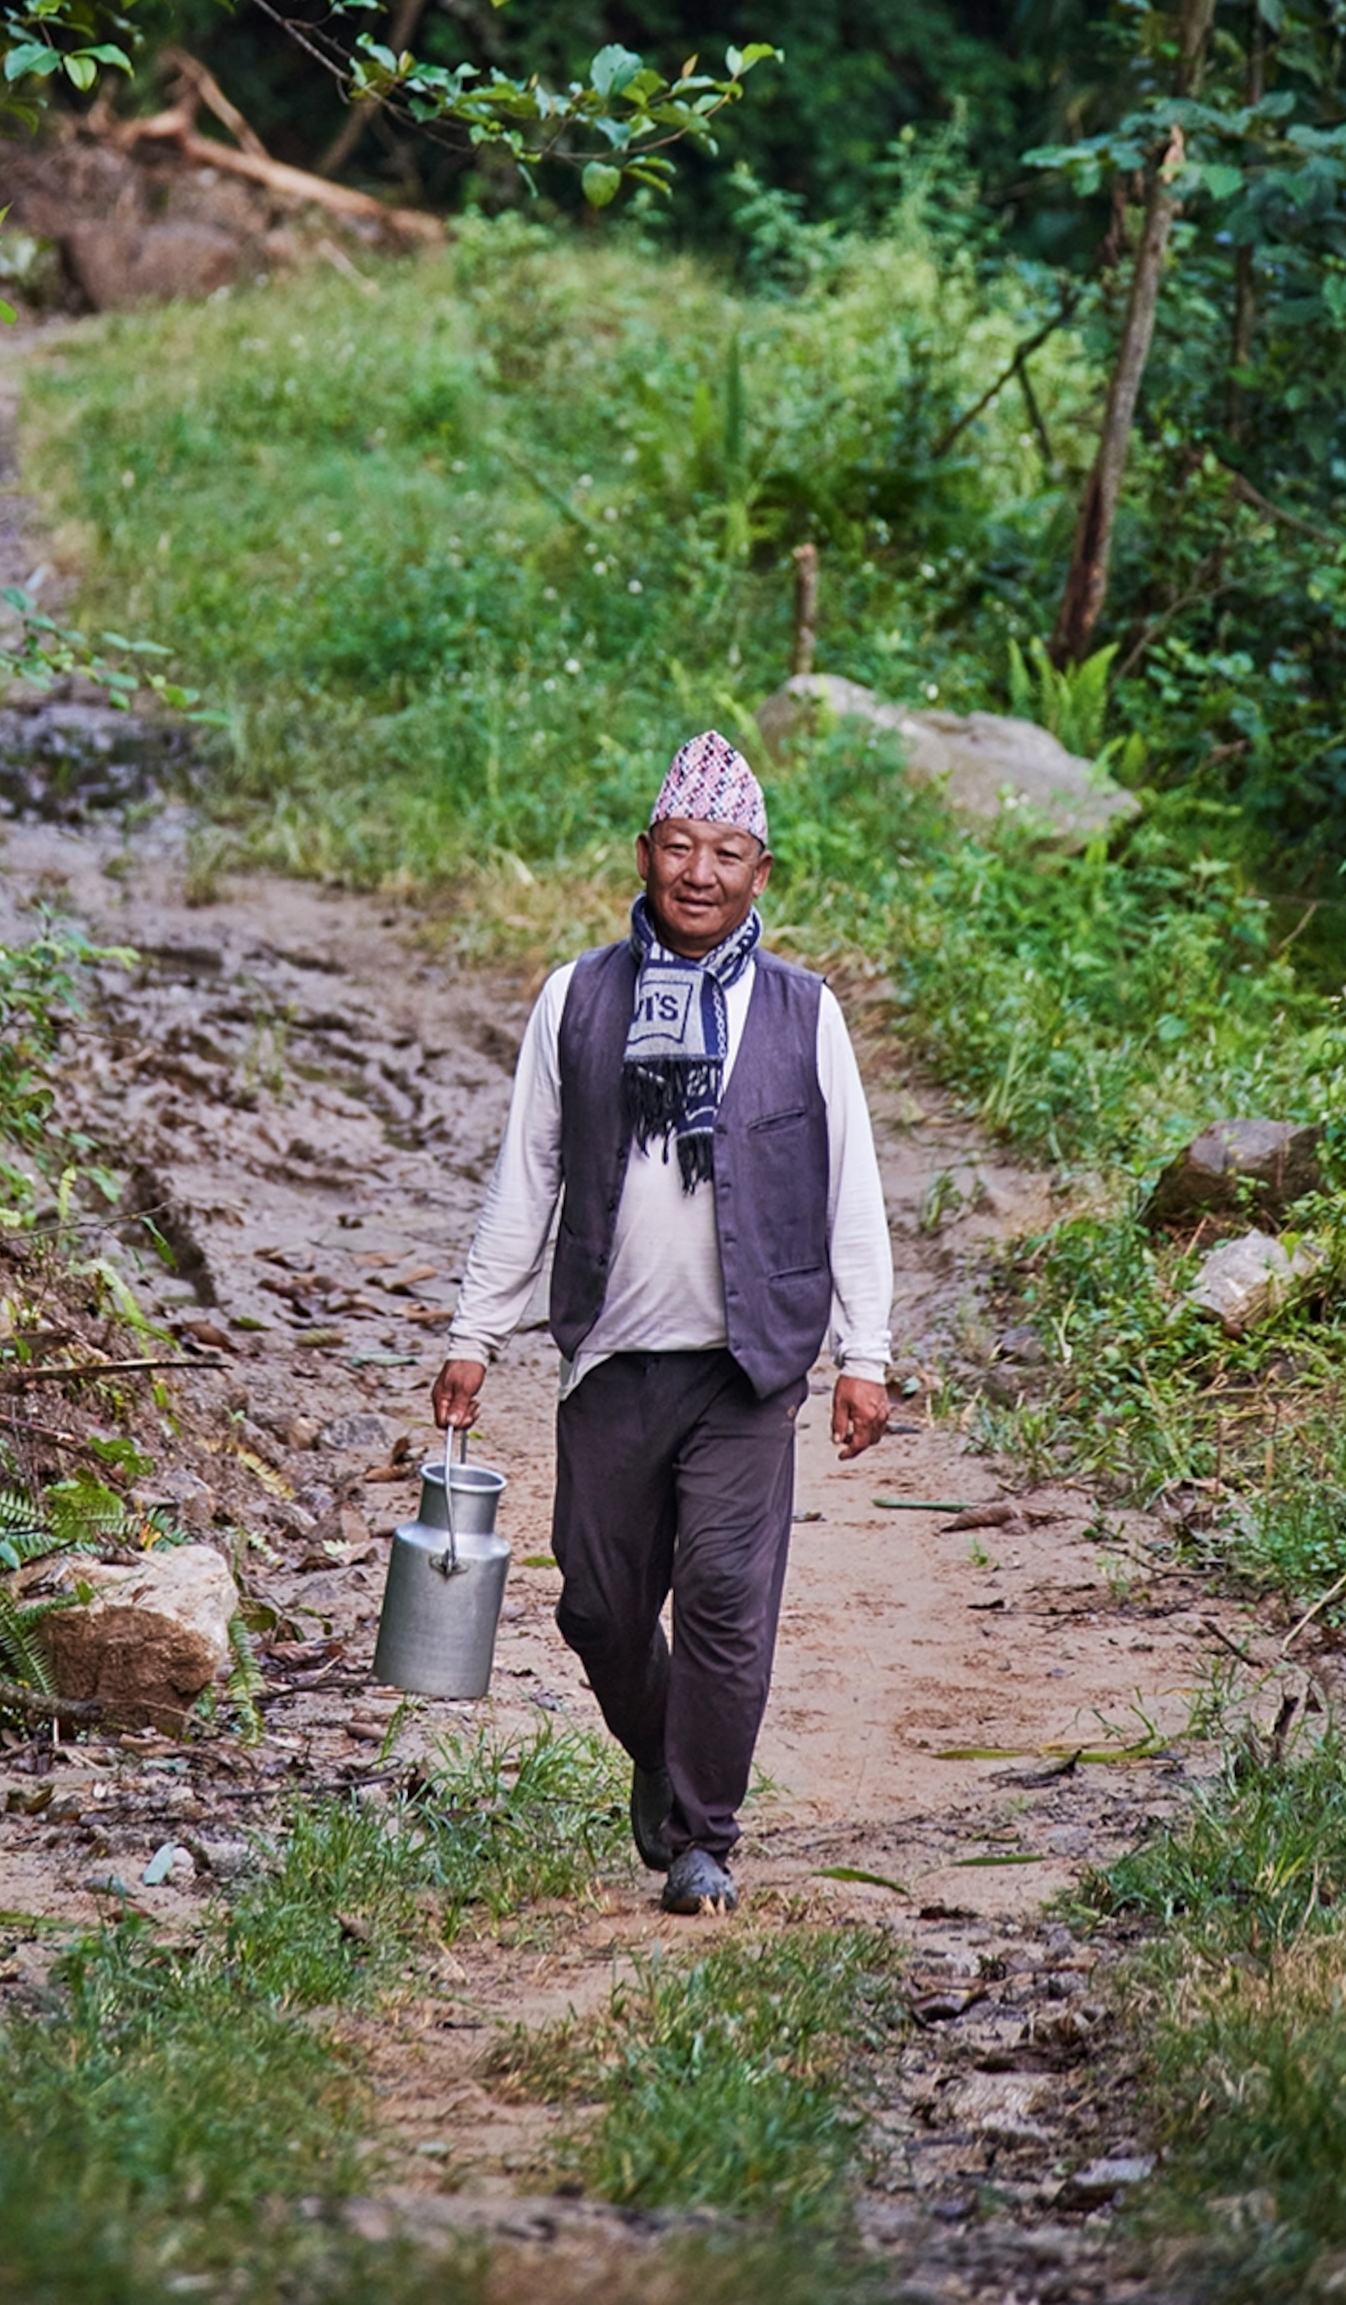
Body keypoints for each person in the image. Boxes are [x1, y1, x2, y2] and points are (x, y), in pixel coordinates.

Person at [430, 730, 893, 1916]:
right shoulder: (575, 997)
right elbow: (524, 1176)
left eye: (726, 852)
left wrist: (864, 1353)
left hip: (748, 1365)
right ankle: (662, 1747)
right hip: (609, 1356)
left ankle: (700, 1836)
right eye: (679, 846)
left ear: (760, 873)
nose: (699, 872)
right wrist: (472, 1335)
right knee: (594, 1602)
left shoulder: (802, 1013)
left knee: (728, 1596)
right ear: (643, 854)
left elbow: (850, 1188)